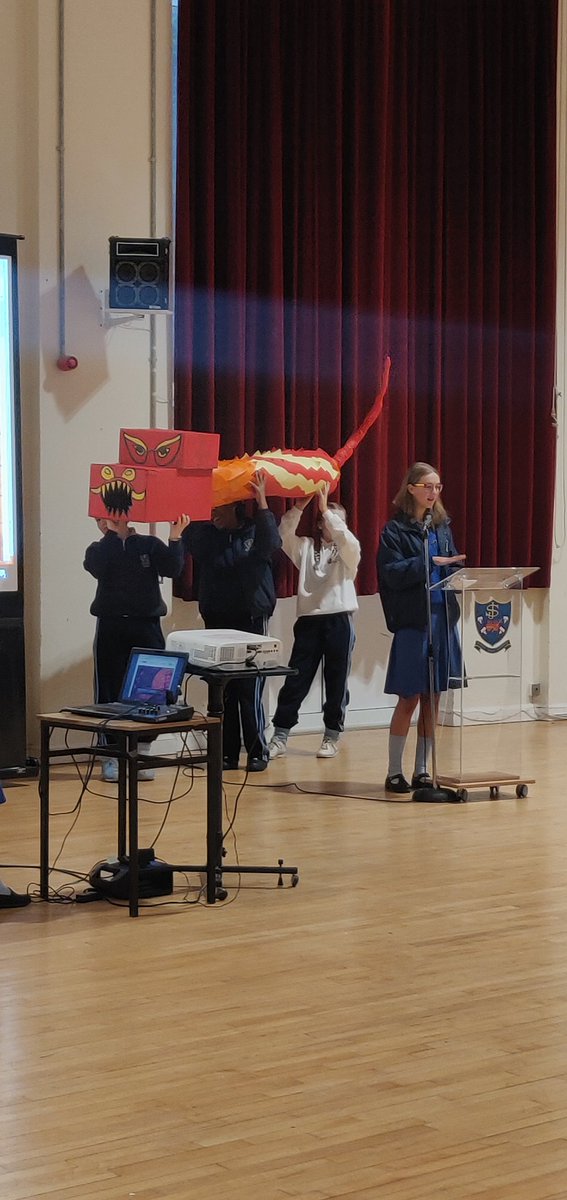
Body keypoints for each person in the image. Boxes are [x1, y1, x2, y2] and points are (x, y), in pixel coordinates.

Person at [182, 470, 281, 772]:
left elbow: (271, 544)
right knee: (222, 690)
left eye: (219, 508)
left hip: (250, 618)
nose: (214, 515)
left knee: (248, 689)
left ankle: (256, 751)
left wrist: (262, 501)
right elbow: (191, 540)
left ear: (236, 507)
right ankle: (226, 753)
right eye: (210, 508)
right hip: (218, 622)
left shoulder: (255, 531)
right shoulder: (207, 536)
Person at [377, 462, 465, 793]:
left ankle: (424, 770)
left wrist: (456, 567)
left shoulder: (442, 527)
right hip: (415, 621)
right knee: (409, 697)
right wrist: (427, 562)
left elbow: (451, 561)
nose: (434, 493)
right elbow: (392, 573)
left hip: (442, 618)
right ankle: (394, 771)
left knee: (433, 697)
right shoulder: (394, 531)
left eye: (438, 487)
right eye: (428, 486)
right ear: (411, 488)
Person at [84, 513, 189, 781]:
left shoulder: (149, 544)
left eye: (112, 519)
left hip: (147, 625)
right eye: (103, 520)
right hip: (111, 625)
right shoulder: (98, 549)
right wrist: (112, 535)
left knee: (151, 689)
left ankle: (141, 751)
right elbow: (97, 567)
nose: (106, 523)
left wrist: (175, 537)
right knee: (110, 689)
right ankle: (112, 755)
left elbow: (173, 569)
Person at [268, 482, 361, 760]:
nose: (334, 527)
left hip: (339, 620)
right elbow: (283, 534)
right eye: (328, 521)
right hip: (309, 621)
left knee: (336, 681)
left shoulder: (348, 554)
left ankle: (332, 734)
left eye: (339, 523)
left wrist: (328, 510)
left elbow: (349, 540)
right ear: (320, 525)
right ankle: (280, 734)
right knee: (296, 680)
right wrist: (300, 506)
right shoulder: (307, 547)